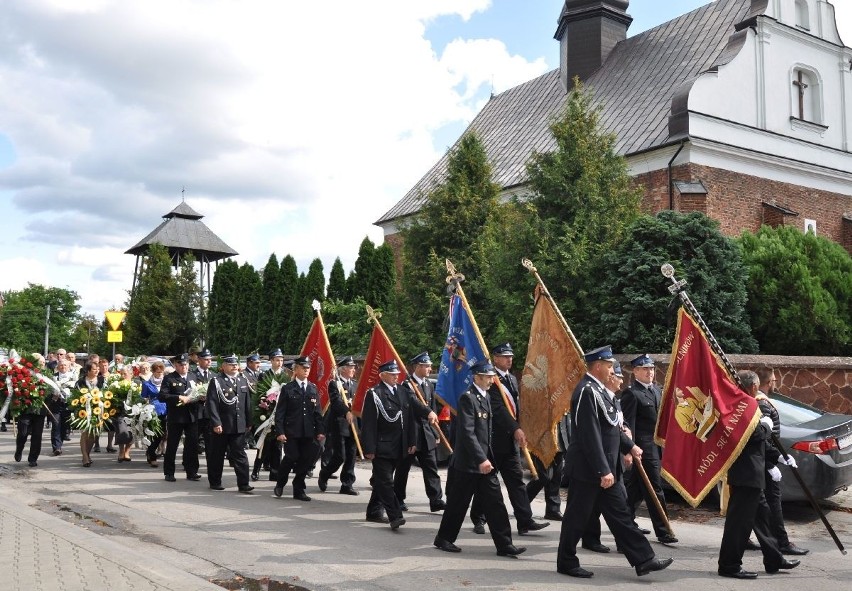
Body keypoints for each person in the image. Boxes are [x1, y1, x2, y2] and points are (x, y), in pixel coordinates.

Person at [557, 345, 673, 578]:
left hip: (608, 468)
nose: (613, 371)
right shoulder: (587, 391)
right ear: (598, 366)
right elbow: (589, 435)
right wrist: (602, 470)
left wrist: (630, 446)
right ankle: (566, 562)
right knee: (576, 518)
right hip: (590, 470)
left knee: (621, 515)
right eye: (609, 366)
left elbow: (612, 427)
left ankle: (643, 560)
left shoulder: (600, 391)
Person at [434, 362, 527, 557]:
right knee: (458, 504)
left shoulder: (485, 398)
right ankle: (444, 539)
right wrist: (480, 459)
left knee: (496, 504)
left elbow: (486, 434)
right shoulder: (468, 398)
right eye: (487, 377)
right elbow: (467, 433)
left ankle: (504, 545)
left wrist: (487, 459)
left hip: (485, 463)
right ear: (476, 377)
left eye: (492, 377)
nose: (491, 380)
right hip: (468, 463)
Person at [717, 370, 801, 579]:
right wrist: (764, 427)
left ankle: (774, 559)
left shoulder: (746, 403)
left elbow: (760, 442)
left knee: (763, 518)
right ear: (754, 386)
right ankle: (729, 566)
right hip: (746, 473)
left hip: (753, 472)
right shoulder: (742, 406)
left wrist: (779, 457)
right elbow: (748, 438)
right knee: (739, 524)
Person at [470, 343, 549, 536]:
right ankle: (478, 517)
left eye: (511, 356)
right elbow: (498, 409)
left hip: (511, 442)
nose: (509, 360)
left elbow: (516, 409)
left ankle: (524, 521)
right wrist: (515, 429)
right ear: (495, 358)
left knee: (516, 482)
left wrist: (521, 428)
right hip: (494, 439)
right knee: (488, 483)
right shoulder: (490, 379)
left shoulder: (512, 379)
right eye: (505, 356)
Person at [361, 360, 429, 529]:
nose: (395, 377)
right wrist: (369, 449)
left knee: (381, 482)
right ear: (382, 375)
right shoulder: (374, 394)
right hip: (381, 446)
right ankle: (395, 516)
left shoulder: (403, 391)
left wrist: (412, 440)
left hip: (400, 446)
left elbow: (411, 417)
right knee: (386, 482)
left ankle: (373, 511)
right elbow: (369, 424)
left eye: (396, 374)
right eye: (391, 374)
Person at [619, 354, 677, 544]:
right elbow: (629, 425)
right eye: (645, 369)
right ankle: (664, 530)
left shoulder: (657, 391)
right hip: (642, 449)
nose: (650, 372)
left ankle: (624, 523)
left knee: (635, 489)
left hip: (656, 447)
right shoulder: (631, 393)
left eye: (651, 369)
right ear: (635, 371)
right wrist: (628, 450)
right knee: (654, 488)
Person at [752, 366, 809, 556]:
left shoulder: (764, 402)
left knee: (753, 505)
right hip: (764, 462)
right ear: (768, 383)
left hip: (766, 460)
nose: (776, 383)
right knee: (773, 503)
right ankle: (782, 543)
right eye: (774, 380)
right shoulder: (762, 404)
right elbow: (762, 439)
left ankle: (742, 538)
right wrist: (771, 463)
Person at [395, 352, 446, 512]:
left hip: (427, 434)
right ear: (417, 367)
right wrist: (428, 412)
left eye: (430, 366)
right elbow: (414, 403)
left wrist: (436, 433)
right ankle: (398, 499)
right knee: (403, 468)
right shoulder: (406, 385)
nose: (430, 369)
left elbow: (434, 410)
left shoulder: (428, 385)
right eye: (427, 366)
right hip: (411, 434)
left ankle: (436, 499)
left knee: (431, 468)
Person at [273, 356, 325, 501]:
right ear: (296, 370)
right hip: (291, 432)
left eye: (308, 368)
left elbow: (317, 412)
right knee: (291, 457)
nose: (306, 370)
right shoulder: (288, 388)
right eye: (303, 367)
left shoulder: (312, 388)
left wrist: (320, 431)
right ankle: (280, 483)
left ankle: (299, 488)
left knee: (305, 460)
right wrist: (280, 432)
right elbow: (280, 412)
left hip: (308, 432)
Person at [206, 354, 254, 493]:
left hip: (238, 424)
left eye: (236, 364)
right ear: (223, 367)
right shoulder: (217, 381)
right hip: (222, 425)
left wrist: (249, 421)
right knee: (217, 455)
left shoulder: (242, 380)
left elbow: (247, 403)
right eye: (230, 364)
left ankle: (243, 484)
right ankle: (215, 481)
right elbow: (212, 404)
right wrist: (216, 423)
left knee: (240, 455)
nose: (234, 366)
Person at [318, 356, 360, 496]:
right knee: (339, 456)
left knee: (351, 455)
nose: (354, 369)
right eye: (351, 367)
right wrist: (346, 411)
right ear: (343, 369)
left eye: (354, 367)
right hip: (339, 424)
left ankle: (347, 484)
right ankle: (325, 473)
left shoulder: (355, 384)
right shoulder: (334, 384)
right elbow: (335, 402)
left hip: (353, 425)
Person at [158, 353, 202, 482]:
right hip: (176, 417)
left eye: (186, 364)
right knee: (172, 445)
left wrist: (202, 398)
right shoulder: (169, 378)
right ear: (176, 365)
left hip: (192, 416)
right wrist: (177, 397)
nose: (184, 367)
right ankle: (169, 472)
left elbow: (199, 392)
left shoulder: (193, 377)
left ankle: (192, 471)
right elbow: (162, 396)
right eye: (181, 365)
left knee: (192, 445)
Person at [76, 360, 105, 467]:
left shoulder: (102, 380)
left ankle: (87, 455)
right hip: (84, 410)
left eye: (97, 369)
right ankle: (85, 457)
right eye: (94, 369)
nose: (97, 371)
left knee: (93, 433)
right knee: (85, 433)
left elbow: (107, 394)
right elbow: (76, 395)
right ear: (88, 370)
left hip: (98, 410)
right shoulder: (81, 382)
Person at [141, 361, 167, 468]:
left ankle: (150, 452)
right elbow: (143, 397)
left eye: (161, 372)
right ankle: (152, 456)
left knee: (162, 434)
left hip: (166, 410)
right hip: (153, 411)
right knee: (154, 434)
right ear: (153, 372)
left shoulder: (166, 382)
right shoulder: (147, 383)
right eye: (157, 372)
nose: (159, 374)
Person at [49, 358, 76, 456]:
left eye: (65, 365)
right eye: (61, 365)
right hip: (56, 403)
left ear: (69, 367)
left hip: (68, 404)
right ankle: (56, 447)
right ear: (58, 367)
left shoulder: (73, 377)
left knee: (65, 426)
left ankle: (60, 443)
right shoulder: (53, 377)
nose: (63, 367)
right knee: (56, 425)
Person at [193, 348, 214, 456]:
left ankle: (211, 467)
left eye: (210, 359)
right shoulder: (192, 374)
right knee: (193, 440)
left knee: (210, 441)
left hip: (209, 413)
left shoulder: (214, 375)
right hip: (196, 411)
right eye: (206, 359)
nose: (209, 361)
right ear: (199, 360)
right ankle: (190, 466)